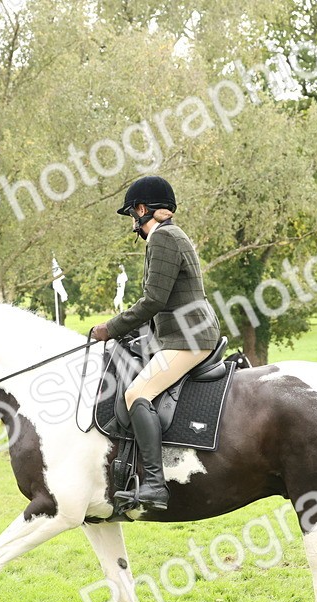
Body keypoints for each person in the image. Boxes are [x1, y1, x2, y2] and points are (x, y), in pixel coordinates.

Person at [88, 175, 220, 511]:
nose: (133, 223)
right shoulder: (171, 236)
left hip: (188, 337)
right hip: (179, 333)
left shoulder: (163, 238)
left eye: (133, 214)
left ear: (144, 209)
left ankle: (154, 485)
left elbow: (154, 300)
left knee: (136, 393)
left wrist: (111, 328)